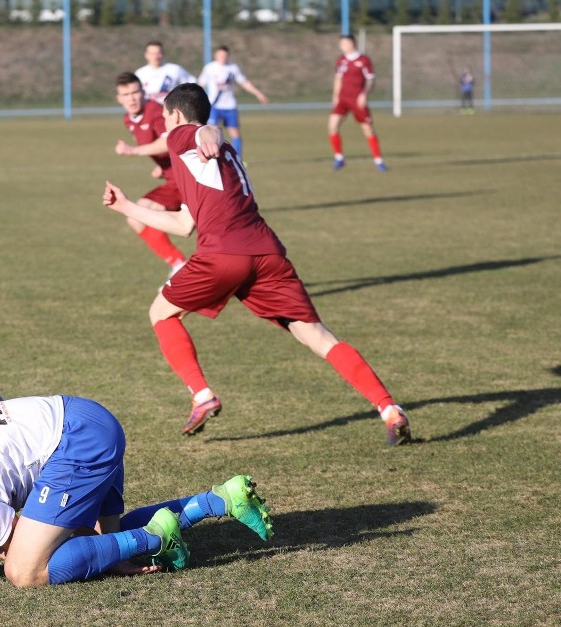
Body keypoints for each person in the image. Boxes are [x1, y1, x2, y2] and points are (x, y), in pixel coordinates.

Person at [103, 83, 412, 446]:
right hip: (267, 254)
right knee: (317, 335)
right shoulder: (222, 157)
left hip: (222, 253)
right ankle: (389, 408)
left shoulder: (182, 137)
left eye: (167, 119)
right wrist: (125, 207)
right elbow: (185, 224)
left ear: (174, 116)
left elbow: (199, 130)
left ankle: (202, 395)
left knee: (162, 313)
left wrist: (206, 129)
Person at [0, 394, 274, 592]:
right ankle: (222, 499)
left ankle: (155, 537)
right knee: (95, 543)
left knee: (25, 573)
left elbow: (18, 552)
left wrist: (109, 554)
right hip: (81, 420)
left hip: (77, 439)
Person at [113, 72, 187, 281]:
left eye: (135, 92)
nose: (132, 98)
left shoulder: (155, 111)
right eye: (126, 94)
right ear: (119, 99)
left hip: (186, 178)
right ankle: (179, 264)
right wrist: (162, 168)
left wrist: (133, 150)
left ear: (143, 92)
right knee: (136, 218)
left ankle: (181, 265)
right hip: (173, 178)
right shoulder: (129, 119)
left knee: (138, 214)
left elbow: (168, 141)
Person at [197, 45, 268, 162]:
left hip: (229, 106)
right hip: (214, 106)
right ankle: (212, 157)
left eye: (225, 55)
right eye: (220, 55)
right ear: (216, 56)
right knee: (211, 132)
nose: (222, 58)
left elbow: (244, 82)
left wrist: (258, 94)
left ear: (228, 56)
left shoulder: (233, 68)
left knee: (235, 133)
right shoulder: (210, 68)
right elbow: (200, 84)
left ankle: (238, 159)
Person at [328, 34, 387, 172]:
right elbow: (338, 78)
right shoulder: (341, 60)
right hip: (343, 99)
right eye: (340, 43)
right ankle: (339, 158)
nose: (342, 46)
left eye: (344, 43)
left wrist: (364, 94)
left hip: (357, 100)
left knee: (368, 129)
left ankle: (378, 161)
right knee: (332, 126)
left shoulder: (364, 60)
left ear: (352, 43)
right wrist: (335, 96)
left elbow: (371, 80)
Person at [135, 40, 196, 105]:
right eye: (152, 53)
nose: (155, 56)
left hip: (170, 111)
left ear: (163, 53)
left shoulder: (175, 69)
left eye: (158, 53)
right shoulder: (140, 73)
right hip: (149, 112)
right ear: (146, 55)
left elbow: (194, 86)